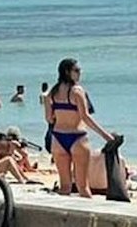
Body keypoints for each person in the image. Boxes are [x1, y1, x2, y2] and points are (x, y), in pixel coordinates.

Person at [46, 58, 113, 197]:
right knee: (83, 187)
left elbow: (49, 118)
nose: (79, 73)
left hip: (58, 138)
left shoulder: (52, 92)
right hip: (77, 137)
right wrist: (105, 135)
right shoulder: (77, 91)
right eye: (76, 70)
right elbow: (85, 117)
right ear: (67, 72)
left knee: (64, 187)